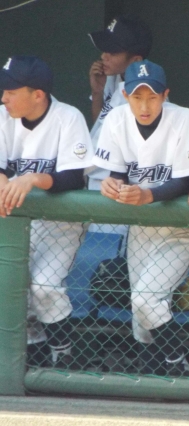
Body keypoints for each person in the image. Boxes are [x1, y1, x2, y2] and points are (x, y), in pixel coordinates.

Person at [93, 59, 189, 375]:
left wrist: (147, 195)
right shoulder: (117, 119)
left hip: (181, 226)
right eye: (137, 97)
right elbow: (118, 173)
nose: (144, 106)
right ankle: (154, 381)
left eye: (152, 97)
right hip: (142, 227)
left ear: (165, 94)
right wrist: (113, 184)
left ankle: (179, 364)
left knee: (146, 300)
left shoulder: (183, 118)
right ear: (125, 95)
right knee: (141, 317)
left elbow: (188, 179)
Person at [0, 55, 94, 368]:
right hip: (18, 218)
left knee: (44, 286)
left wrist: (32, 178)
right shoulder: (3, 117)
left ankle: (65, 357)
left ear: (38, 94)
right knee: (15, 286)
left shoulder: (68, 117)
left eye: (11, 91)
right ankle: (34, 358)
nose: (4, 97)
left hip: (60, 220)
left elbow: (74, 178)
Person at [87, 15, 152, 194]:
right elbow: (101, 126)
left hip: (121, 185)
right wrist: (97, 93)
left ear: (136, 61)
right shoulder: (113, 77)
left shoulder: (146, 96)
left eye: (113, 52)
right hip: (99, 178)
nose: (103, 56)